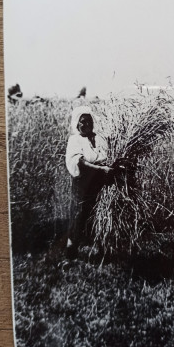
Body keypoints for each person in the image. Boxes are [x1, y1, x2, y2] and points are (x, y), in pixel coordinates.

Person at [65, 106, 115, 258]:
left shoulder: (100, 138)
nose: (86, 124)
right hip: (82, 185)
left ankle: (101, 251)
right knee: (79, 217)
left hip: (99, 183)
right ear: (77, 124)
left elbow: (108, 156)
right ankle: (71, 252)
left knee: (100, 214)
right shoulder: (75, 140)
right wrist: (101, 169)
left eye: (89, 121)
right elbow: (80, 162)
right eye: (83, 122)